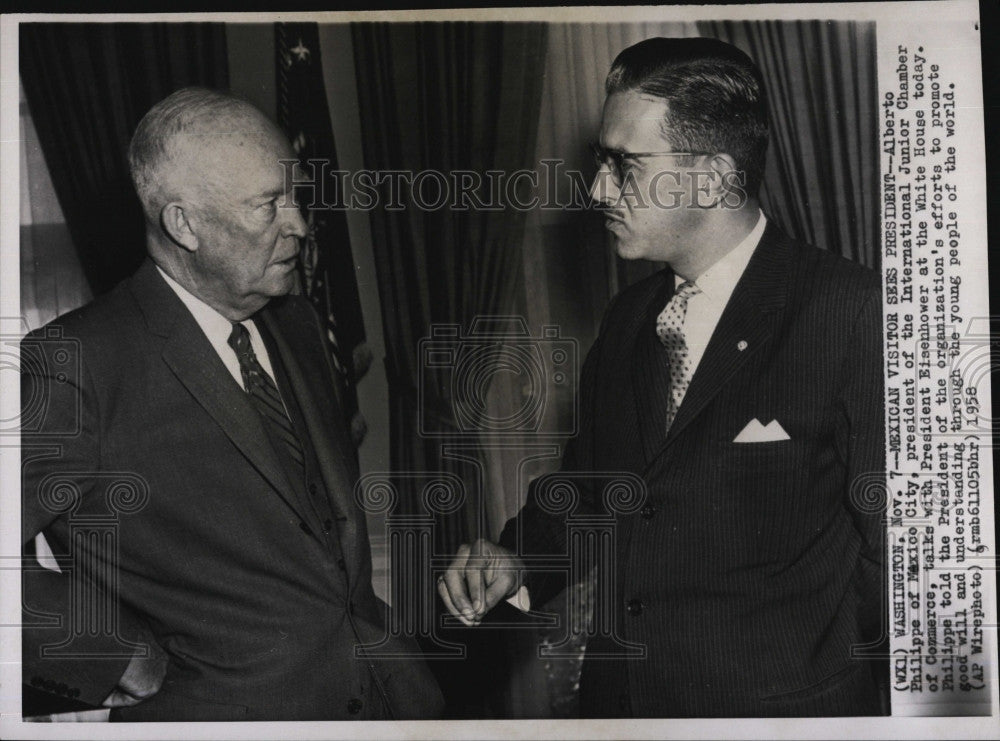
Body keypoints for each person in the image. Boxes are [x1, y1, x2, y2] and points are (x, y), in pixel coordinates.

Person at [439, 37, 887, 717]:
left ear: (710, 177)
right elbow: (592, 486)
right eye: (601, 163)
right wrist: (518, 559)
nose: (597, 190)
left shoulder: (851, 312)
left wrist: (824, 671)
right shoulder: (627, 320)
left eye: (625, 165)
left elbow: (901, 558)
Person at [21, 87, 443, 721]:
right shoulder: (72, 361)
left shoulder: (297, 323)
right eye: (267, 206)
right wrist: (114, 656)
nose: (299, 224)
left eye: (294, 197)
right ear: (182, 224)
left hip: (393, 699)